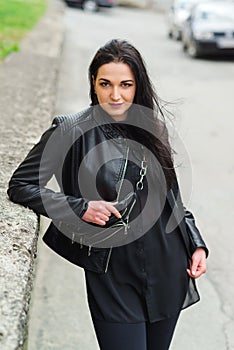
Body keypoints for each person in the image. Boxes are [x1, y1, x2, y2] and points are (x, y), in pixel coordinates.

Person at [7, 39, 208, 350]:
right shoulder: (70, 130)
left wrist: (195, 243)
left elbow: (173, 199)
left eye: (125, 85)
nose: (116, 95)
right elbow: (21, 185)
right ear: (93, 82)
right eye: (106, 84)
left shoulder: (152, 127)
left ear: (137, 85)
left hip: (168, 265)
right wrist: (78, 207)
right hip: (112, 276)